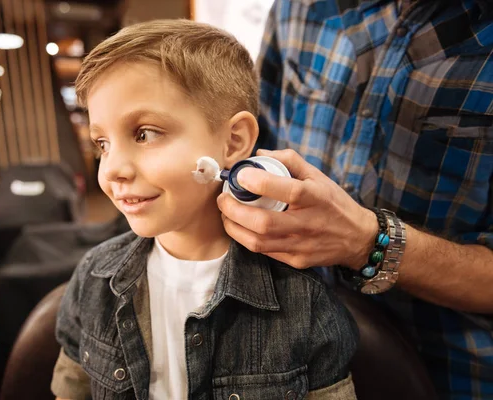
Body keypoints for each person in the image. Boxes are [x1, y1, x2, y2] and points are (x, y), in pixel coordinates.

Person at [50, 19, 359, 400]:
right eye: (102, 143)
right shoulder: (93, 281)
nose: (112, 169)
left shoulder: (302, 301)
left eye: (144, 134)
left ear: (232, 142)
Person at [217, 1, 493, 399]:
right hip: (290, 361)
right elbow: (260, 144)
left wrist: (368, 243)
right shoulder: (300, 7)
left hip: (454, 374)